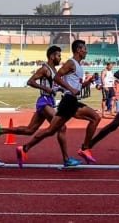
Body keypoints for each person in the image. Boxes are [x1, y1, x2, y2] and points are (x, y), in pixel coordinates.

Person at [16, 39, 101, 167]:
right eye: (85, 49)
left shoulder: (79, 67)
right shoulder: (71, 63)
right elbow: (57, 77)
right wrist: (70, 89)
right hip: (68, 101)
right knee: (94, 118)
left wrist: (87, 82)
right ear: (78, 50)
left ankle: (24, 148)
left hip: (71, 101)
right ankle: (84, 149)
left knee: (51, 130)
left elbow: (77, 88)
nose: (86, 51)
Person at [5, 46, 65, 142]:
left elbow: (51, 87)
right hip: (44, 101)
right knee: (60, 126)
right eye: (58, 56)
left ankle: (2, 130)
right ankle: (27, 147)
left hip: (50, 101)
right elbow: (30, 81)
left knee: (30, 130)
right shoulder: (44, 69)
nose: (60, 58)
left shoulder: (54, 70)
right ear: (52, 56)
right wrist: (45, 88)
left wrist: (59, 89)